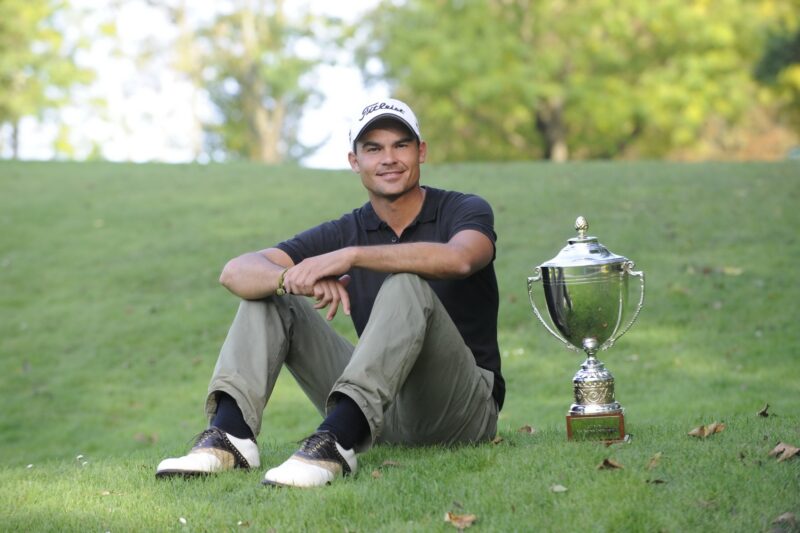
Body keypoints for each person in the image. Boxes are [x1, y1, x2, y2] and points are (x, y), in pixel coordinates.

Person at [155, 98, 505, 488]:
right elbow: (235, 271)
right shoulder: (347, 227)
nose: (388, 158)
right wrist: (289, 279)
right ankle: (230, 437)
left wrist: (351, 257)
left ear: (420, 151)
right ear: (355, 161)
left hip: (462, 410)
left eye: (400, 145)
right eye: (373, 148)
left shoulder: (463, 209)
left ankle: (336, 442)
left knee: (407, 284)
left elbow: (461, 258)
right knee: (272, 294)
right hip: (382, 411)